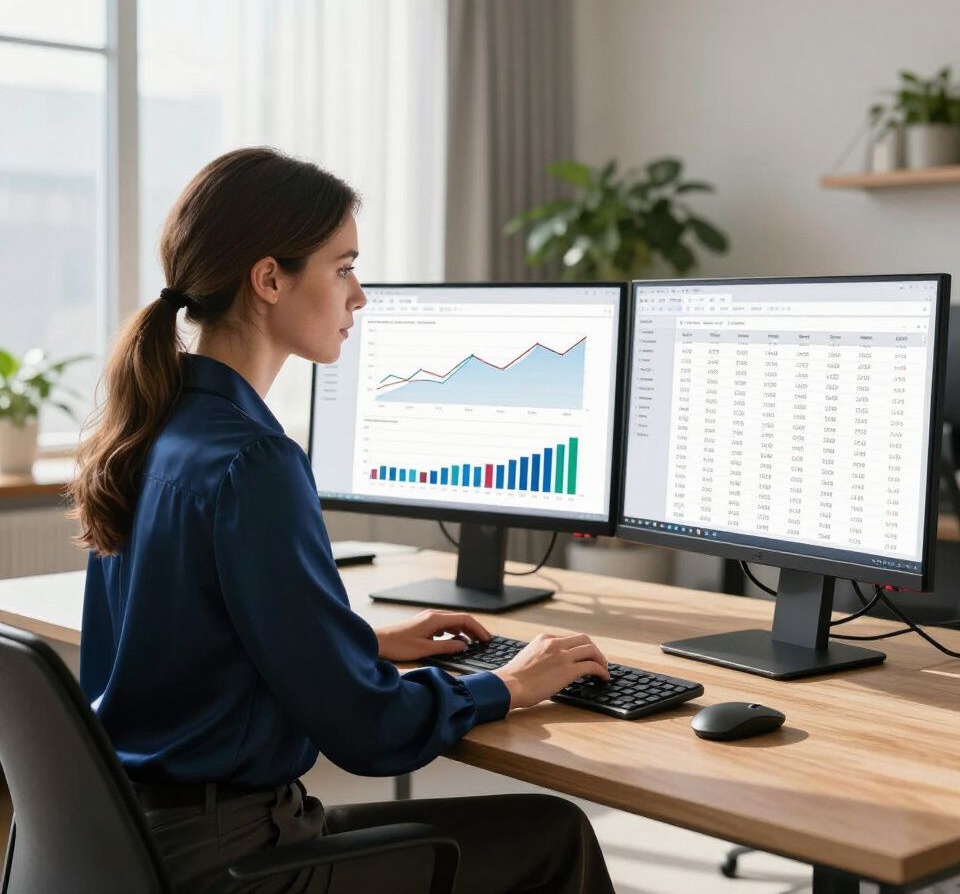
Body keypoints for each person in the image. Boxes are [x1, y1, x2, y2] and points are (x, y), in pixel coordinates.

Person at [71, 147, 616, 894]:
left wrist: (368, 645)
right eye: (343, 267)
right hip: (232, 865)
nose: (358, 296)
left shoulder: (154, 429)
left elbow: (192, 649)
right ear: (269, 279)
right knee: (554, 835)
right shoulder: (254, 462)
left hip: (128, 845)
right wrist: (510, 685)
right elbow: (368, 731)